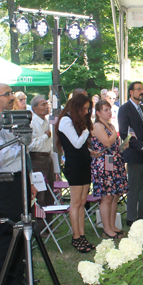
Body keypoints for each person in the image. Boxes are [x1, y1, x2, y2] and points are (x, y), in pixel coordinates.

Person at [0, 84, 35, 285]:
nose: (11, 97)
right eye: (7, 94)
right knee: (9, 230)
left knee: (23, 226)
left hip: (18, 177)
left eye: (12, 93)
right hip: (4, 181)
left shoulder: (11, 121)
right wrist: (19, 144)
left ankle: (19, 274)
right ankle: (7, 279)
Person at [55, 89, 95, 252]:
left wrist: (91, 152)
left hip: (84, 162)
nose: (86, 112)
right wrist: (86, 130)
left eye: (88, 109)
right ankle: (76, 237)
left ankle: (82, 235)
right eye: (84, 109)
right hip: (74, 165)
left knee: (82, 202)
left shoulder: (76, 121)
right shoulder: (65, 121)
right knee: (76, 202)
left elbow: (80, 146)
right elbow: (76, 144)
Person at [118, 81, 143, 226]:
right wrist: (141, 147)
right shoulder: (124, 109)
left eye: (142, 89)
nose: (142, 91)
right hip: (134, 153)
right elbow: (124, 133)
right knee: (133, 186)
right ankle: (132, 218)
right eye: (138, 89)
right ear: (131, 92)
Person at [91, 100, 128, 238]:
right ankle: (106, 228)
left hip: (114, 162)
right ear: (98, 113)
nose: (109, 112)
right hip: (103, 165)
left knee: (114, 195)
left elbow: (113, 145)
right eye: (105, 110)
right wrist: (115, 134)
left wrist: (123, 145)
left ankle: (112, 225)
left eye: (110, 109)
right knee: (106, 197)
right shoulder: (98, 126)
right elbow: (106, 142)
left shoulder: (110, 126)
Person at [29, 95, 55, 232]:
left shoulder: (46, 121)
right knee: (40, 194)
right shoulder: (32, 123)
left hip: (47, 157)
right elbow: (31, 145)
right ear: (34, 108)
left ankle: (49, 224)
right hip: (37, 159)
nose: (46, 107)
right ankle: (39, 227)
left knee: (50, 191)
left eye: (46, 104)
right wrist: (46, 136)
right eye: (42, 104)